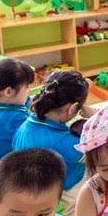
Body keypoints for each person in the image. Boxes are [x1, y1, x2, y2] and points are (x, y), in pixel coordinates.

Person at [12, 69, 92, 205]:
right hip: (62, 195)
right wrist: (93, 117)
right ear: (72, 109)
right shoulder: (63, 142)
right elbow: (96, 154)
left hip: (33, 187)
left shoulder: (26, 124)